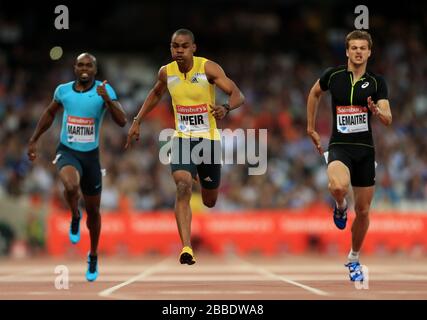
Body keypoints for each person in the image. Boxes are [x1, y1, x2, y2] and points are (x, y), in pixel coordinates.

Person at [125, 29, 244, 265]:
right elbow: (155, 94)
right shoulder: (166, 72)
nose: (179, 50)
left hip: (208, 140)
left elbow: (237, 94)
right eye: (174, 46)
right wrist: (137, 121)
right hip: (181, 138)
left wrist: (226, 107)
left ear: (193, 48)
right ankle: (186, 248)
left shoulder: (208, 68)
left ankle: (200, 174)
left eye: (184, 46)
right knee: (182, 185)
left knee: (210, 201)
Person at [27, 53, 127, 281]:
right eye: (80, 65)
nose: (84, 68)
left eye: (89, 65)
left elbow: (122, 121)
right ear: (74, 68)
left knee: (93, 213)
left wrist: (108, 100)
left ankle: (93, 255)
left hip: (91, 157)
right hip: (67, 151)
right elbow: (50, 113)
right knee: (71, 186)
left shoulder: (104, 90)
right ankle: (74, 214)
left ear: (95, 69)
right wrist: (34, 139)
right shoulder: (63, 90)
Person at [306, 30, 392, 281]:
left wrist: (378, 112)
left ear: (369, 52)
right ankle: (341, 206)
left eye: (362, 48)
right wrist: (310, 127)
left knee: (364, 211)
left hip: (365, 151)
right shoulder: (333, 76)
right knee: (338, 187)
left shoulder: (377, 82)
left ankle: (354, 257)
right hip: (339, 146)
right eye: (353, 47)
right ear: (346, 51)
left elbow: (388, 116)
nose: (357, 51)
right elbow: (314, 94)